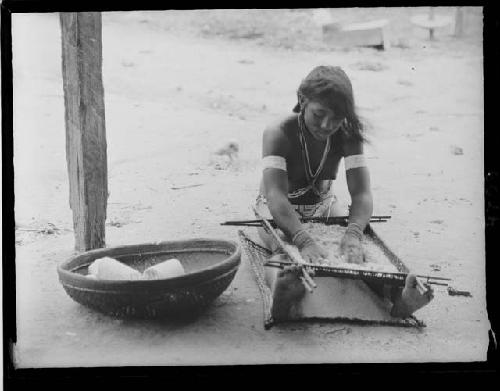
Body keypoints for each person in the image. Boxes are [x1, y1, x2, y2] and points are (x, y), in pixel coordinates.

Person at [255, 65, 433, 320]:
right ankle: (282, 292)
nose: (327, 125)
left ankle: (399, 298)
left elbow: (361, 194)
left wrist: (353, 233)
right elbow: (276, 197)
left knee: (360, 252)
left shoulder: (348, 134)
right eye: (319, 114)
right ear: (302, 100)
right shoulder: (278, 132)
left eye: (336, 118)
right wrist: (303, 239)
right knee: (285, 252)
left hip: (324, 206)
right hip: (275, 209)